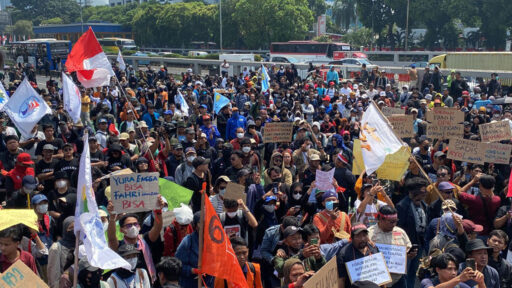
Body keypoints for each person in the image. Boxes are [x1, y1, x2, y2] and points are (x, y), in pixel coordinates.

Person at [368, 205, 413, 287]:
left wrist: (409, 254)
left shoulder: (400, 232)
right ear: (381, 219)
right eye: (391, 222)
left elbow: (407, 249)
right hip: (378, 281)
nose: (394, 224)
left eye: (396, 221)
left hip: (398, 279)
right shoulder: (369, 234)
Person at [337, 223, 379, 288]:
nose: (362, 239)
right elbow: (341, 280)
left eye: (364, 235)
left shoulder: (373, 248)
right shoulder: (344, 254)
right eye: (358, 236)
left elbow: (381, 273)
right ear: (352, 238)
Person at [48, 216, 75, 288]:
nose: (74, 230)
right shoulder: (56, 248)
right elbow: (53, 276)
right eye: (71, 228)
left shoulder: (81, 246)